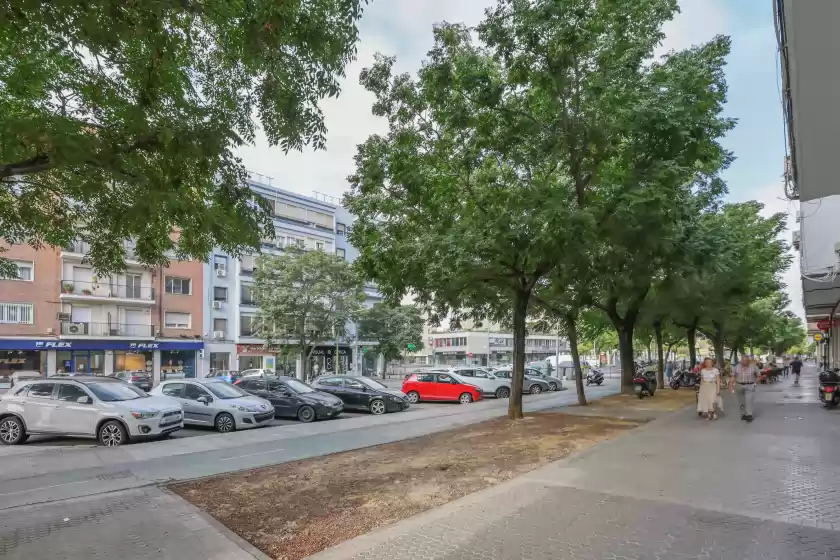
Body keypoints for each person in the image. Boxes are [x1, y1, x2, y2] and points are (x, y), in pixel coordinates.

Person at [731, 354, 760, 422]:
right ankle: (743, 414)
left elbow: (758, 376)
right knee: (741, 401)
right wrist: (731, 386)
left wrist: (755, 383)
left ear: (749, 361)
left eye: (746, 360)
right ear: (741, 361)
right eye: (743, 360)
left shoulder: (753, 367)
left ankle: (749, 415)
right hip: (739, 385)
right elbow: (732, 376)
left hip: (750, 385)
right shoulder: (736, 367)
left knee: (748, 400)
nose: (745, 362)